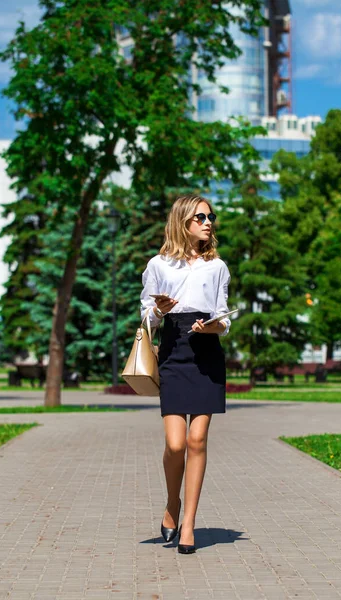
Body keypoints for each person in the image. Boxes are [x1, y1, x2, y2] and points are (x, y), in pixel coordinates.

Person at [140, 194, 231, 554]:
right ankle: (171, 504)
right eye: (201, 217)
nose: (208, 222)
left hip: (206, 355)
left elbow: (223, 319)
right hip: (174, 351)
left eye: (211, 216)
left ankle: (189, 522)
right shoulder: (159, 265)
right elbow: (145, 320)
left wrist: (214, 327)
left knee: (197, 441)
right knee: (176, 444)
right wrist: (159, 312)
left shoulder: (218, 267)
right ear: (183, 221)